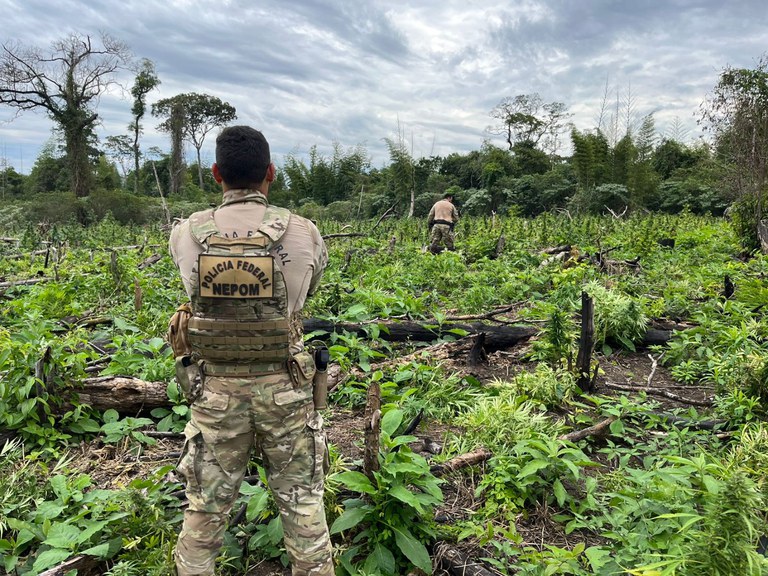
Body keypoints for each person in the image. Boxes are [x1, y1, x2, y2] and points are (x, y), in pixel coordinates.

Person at [168, 125, 333, 576]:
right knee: (304, 509)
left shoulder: (185, 233)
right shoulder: (304, 232)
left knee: (203, 513)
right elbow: (306, 293)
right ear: (271, 174)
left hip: (215, 394)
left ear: (216, 173)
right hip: (288, 391)